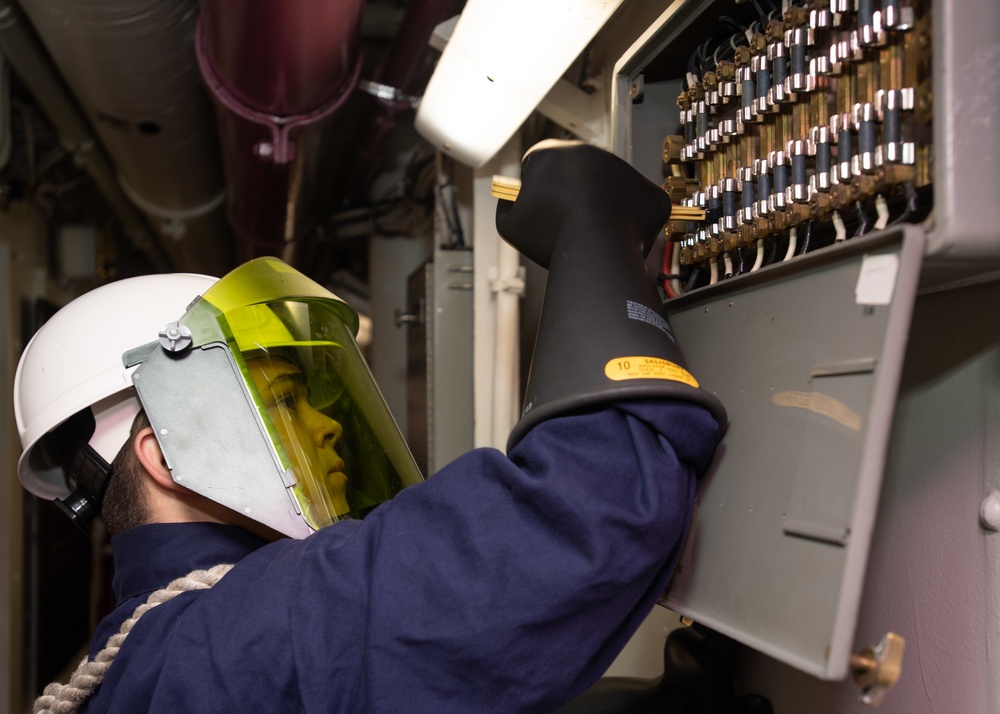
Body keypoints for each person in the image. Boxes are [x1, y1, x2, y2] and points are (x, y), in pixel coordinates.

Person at [13, 141, 726, 713]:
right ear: (166, 452)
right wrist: (592, 223)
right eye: (286, 401)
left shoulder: (160, 652)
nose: (323, 424)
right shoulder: (236, 639)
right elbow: (596, 502)